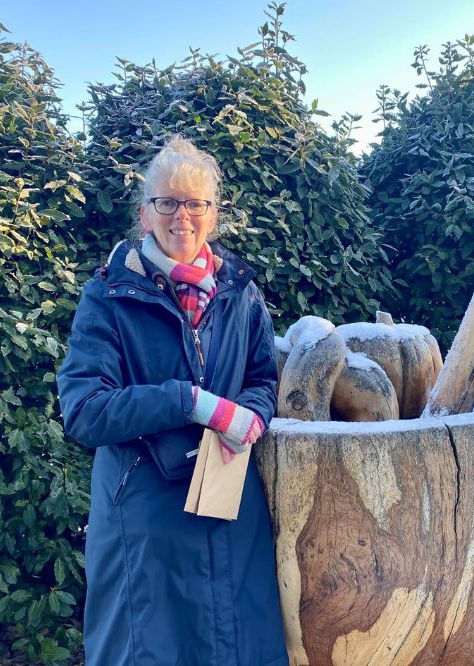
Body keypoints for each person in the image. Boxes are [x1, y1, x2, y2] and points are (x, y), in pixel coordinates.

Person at [56, 136, 288, 665]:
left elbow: (261, 377)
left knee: (236, 646)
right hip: (145, 518)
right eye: (167, 202)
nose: (181, 215)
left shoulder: (241, 292)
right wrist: (188, 401)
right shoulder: (109, 296)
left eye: (195, 203)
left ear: (213, 214)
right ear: (145, 213)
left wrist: (253, 414)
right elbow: (84, 409)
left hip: (229, 506)